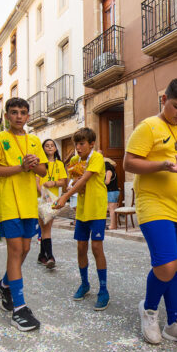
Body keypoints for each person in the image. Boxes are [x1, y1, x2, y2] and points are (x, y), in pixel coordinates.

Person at [124, 78, 177, 346]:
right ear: (164, 99)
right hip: (154, 203)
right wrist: (162, 166)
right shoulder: (148, 127)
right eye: (176, 106)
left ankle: (174, 323)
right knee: (166, 265)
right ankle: (148, 309)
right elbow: (129, 163)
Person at [0, 97, 47, 331]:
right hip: (10, 202)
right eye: (14, 112)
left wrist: (33, 164)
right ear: (7, 116)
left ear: (28, 116)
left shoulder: (34, 140)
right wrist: (20, 167)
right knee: (15, 250)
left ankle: (5, 284)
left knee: (26, 249)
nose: (19, 116)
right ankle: (19, 309)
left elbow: (43, 170)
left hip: (29, 202)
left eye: (23, 112)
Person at [55, 129, 110, 310]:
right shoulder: (74, 160)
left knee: (96, 247)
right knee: (80, 247)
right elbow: (73, 180)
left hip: (97, 209)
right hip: (82, 210)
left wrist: (64, 197)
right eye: (76, 144)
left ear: (92, 144)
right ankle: (85, 283)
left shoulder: (96, 158)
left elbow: (84, 180)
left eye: (82, 144)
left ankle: (103, 290)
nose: (78, 148)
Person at [37, 139, 67, 267]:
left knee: (47, 227)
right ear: (43, 149)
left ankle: (43, 255)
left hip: (54, 199)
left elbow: (63, 182)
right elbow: (36, 181)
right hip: (40, 199)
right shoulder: (40, 164)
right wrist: (43, 193)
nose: (50, 147)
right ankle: (49, 256)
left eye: (52, 145)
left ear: (55, 148)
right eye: (47, 146)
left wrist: (53, 183)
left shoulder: (59, 164)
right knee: (45, 227)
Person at [104, 156, 120, 230]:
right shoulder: (112, 171)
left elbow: (107, 182)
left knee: (112, 209)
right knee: (112, 209)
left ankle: (112, 226)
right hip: (113, 191)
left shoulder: (109, 171)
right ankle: (114, 225)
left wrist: (101, 182)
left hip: (111, 191)